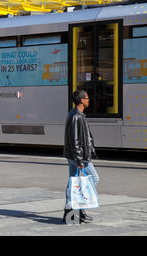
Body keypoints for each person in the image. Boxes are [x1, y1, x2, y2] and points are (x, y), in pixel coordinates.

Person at [63, 90, 99, 223]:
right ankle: (79, 209)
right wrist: (80, 160)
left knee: (73, 184)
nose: (89, 100)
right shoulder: (76, 116)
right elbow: (75, 140)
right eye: (87, 98)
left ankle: (71, 214)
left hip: (74, 156)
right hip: (79, 157)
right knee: (94, 178)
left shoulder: (77, 115)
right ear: (82, 100)